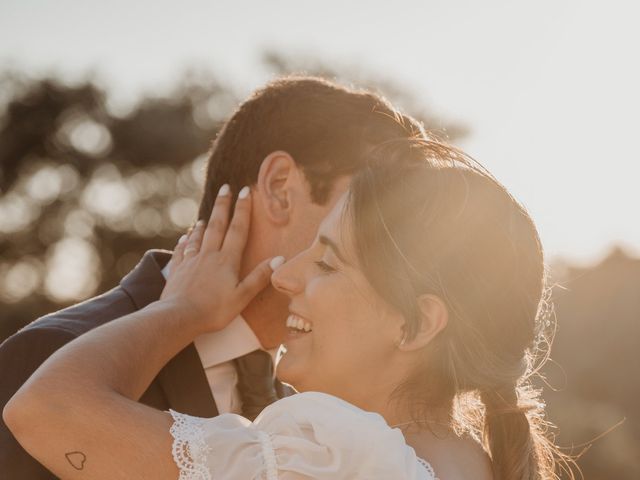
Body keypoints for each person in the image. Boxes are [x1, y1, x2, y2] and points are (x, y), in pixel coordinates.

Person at [4, 138, 571, 479]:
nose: (286, 273)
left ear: (416, 323)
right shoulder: (482, 462)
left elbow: (44, 410)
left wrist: (182, 308)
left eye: (327, 264)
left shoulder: (336, 453)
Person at [0, 77, 426, 478]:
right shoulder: (49, 356)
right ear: (280, 187)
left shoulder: (315, 399)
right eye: (370, 209)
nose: (392, 242)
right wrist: (178, 313)